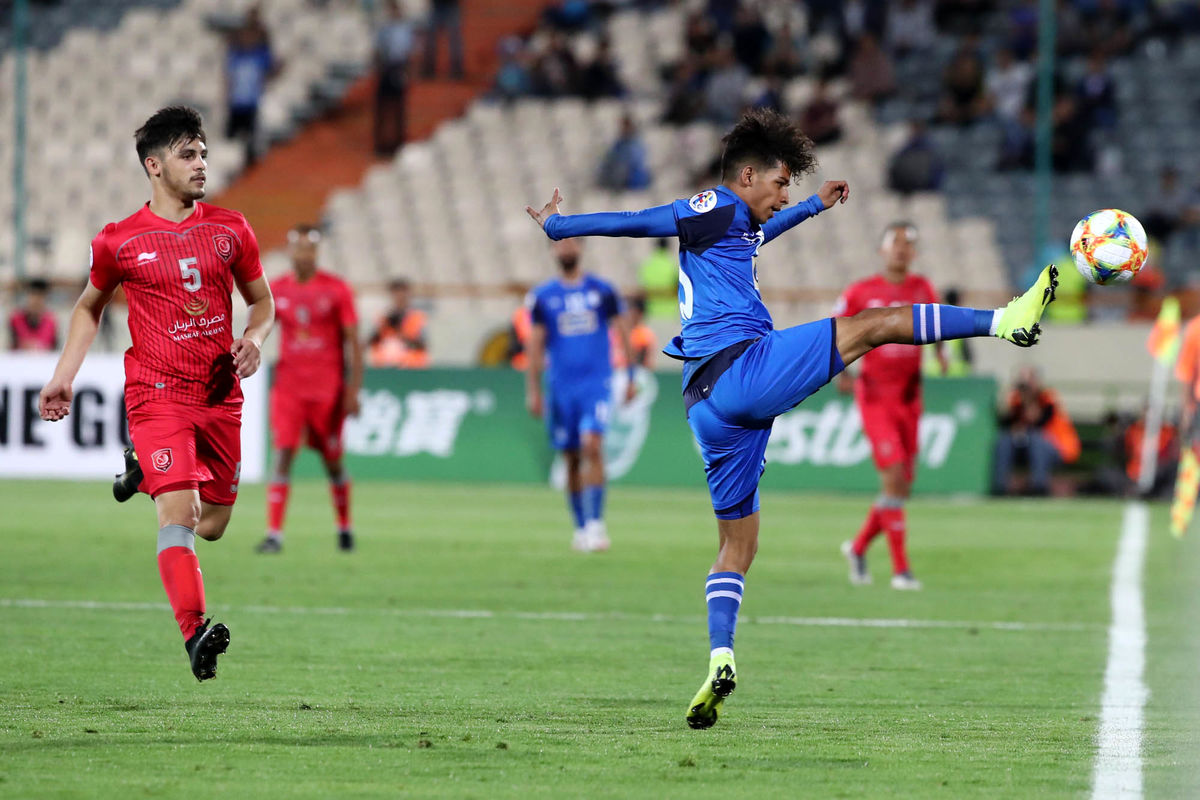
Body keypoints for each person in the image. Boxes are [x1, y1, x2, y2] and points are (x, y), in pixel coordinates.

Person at [524, 107, 1058, 730]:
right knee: (876, 323)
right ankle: (1005, 320)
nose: (784, 194)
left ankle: (720, 658)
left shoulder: (733, 226)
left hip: (708, 406)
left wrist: (812, 209)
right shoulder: (713, 205)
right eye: (781, 184)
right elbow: (644, 220)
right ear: (746, 175)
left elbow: (753, 235)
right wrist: (563, 227)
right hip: (739, 368)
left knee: (737, 546)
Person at [37, 106, 274, 681]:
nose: (201, 164)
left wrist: (254, 337)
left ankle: (140, 468)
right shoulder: (119, 240)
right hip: (157, 393)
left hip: (219, 396)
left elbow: (262, 302)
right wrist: (64, 373)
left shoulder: (231, 228)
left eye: (203, 154)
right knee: (181, 512)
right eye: (188, 155)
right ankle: (194, 633)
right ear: (154, 165)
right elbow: (88, 308)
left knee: (213, 524)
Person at [835, 222, 941, 591]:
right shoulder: (862, 292)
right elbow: (837, 328)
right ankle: (901, 570)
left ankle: (859, 548)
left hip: (910, 397)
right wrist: (840, 371)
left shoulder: (922, 289)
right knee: (893, 478)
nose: (901, 250)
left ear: (914, 253)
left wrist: (942, 354)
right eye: (895, 243)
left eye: (908, 244)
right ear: (882, 250)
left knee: (902, 488)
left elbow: (940, 325)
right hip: (876, 395)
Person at [524, 238, 637, 553]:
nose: (566, 249)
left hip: (596, 384)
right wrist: (533, 389)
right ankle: (581, 526)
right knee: (572, 458)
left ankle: (597, 524)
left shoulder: (602, 291)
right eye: (560, 245)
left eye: (571, 243)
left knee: (593, 444)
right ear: (552, 251)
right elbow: (534, 345)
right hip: (561, 388)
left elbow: (623, 330)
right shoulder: (543, 297)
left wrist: (630, 374)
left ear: (581, 248)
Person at [257, 224, 363, 554]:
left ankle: (344, 527)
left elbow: (353, 343)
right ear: (290, 252)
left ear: (317, 252)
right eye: (298, 248)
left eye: (309, 248)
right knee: (283, 453)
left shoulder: (336, 290)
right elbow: (260, 327)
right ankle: (274, 534)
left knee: (332, 460)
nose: (303, 254)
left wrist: (352, 390)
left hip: (327, 390)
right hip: (289, 388)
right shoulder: (277, 289)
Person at [992, 366, 1079, 496]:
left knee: (1036, 439)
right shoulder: (1016, 399)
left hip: (1056, 447)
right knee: (1004, 440)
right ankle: (999, 487)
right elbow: (1006, 421)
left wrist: (1029, 401)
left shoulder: (1047, 398)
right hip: (1026, 446)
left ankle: (1039, 487)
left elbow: (1039, 422)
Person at [225, 5, 277, 167]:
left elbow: (269, 72)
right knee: (231, 141)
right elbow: (229, 78)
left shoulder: (261, 54)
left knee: (251, 139)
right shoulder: (236, 54)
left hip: (253, 103)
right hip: (236, 102)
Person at [374, 0, 417, 156]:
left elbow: (409, 53)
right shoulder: (384, 29)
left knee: (399, 108)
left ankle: (397, 143)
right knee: (382, 108)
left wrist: (407, 72)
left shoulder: (405, 30)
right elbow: (377, 51)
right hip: (386, 68)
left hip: (398, 67)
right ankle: (381, 143)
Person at [368, 277, 429, 368]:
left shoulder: (418, 317)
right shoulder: (384, 317)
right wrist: (384, 327)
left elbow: (423, 344)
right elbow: (372, 341)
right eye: (396, 294)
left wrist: (402, 335)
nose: (399, 297)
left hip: (412, 367)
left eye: (402, 294)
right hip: (386, 367)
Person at [597, 113, 653, 191]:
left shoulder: (637, 143)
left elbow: (637, 161)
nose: (624, 129)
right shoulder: (618, 144)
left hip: (634, 178)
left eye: (626, 126)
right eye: (623, 126)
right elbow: (611, 159)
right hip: (617, 176)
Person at [9, 277, 58, 351]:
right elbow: (12, 345)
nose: (36, 301)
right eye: (33, 296)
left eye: (40, 297)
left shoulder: (51, 321)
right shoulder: (16, 319)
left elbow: (54, 348)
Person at [612, 293, 657, 370]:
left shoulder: (643, 334)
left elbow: (639, 361)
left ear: (639, 314)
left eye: (630, 311)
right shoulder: (614, 331)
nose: (627, 314)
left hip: (636, 372)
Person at [421, 0, 464, 80]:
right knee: (431, 38)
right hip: (436, 6)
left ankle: (457, 69)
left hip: (451, 6)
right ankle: (428, 69)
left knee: (454, 39)